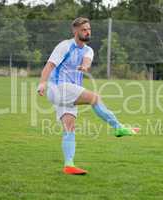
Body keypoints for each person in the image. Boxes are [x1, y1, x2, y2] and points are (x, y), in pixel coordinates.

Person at [37, 17, 139, 175]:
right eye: (84, 29)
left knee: (69, 128)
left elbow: (87, 61)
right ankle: (118, 127)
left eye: (89, 29)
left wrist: (84, 67)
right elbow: (49, 65)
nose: (88, 32)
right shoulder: (65, 46)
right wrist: (42, 83)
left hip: (67, 91)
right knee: (94, 98)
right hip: (58, 88)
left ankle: (69, 165)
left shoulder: (88, 50)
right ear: (75, 31)